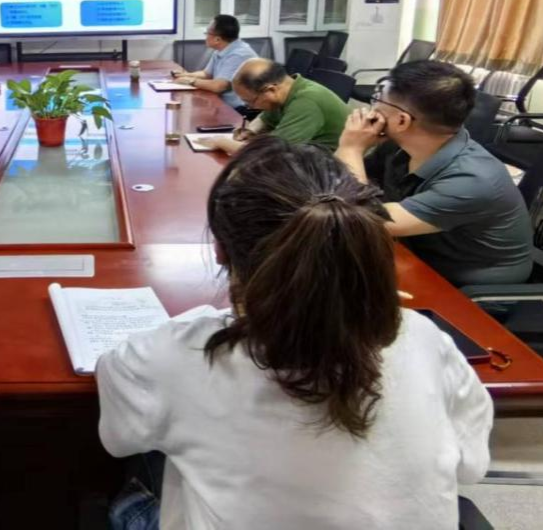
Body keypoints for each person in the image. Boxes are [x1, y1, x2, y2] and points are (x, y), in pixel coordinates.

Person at [97, 136, 493, 529]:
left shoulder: (171, 356)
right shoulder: (422, 337)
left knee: (135, 481)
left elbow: (119, 439)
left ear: (219, 250)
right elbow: (471, 466)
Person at [335, 60, 533, 286]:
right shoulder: (402, 146)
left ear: (402, 120)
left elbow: (363, 221)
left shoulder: (472, 180)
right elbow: (338, 184)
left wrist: (351, 147)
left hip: (464, 289)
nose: (373, 107)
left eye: (379, 99)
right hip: (415, 252)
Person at [204, 57, 350, 154]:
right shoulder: (286, 92)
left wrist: (222, 142)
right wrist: (249, 131)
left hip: (341, 171)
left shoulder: (307, 101)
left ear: (271, 90)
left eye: (251, 101)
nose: (251, 107)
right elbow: (265, 119)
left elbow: (274, 153)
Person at [171, 14, 257, 110]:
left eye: (207, 33)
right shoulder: (222, 49)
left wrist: (190, 81)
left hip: (241, 109)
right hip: (224, 105)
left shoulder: (239, 54)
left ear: (217, 39)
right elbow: (207, 74)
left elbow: (219, 86)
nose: (205, 36)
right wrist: (186, 75)